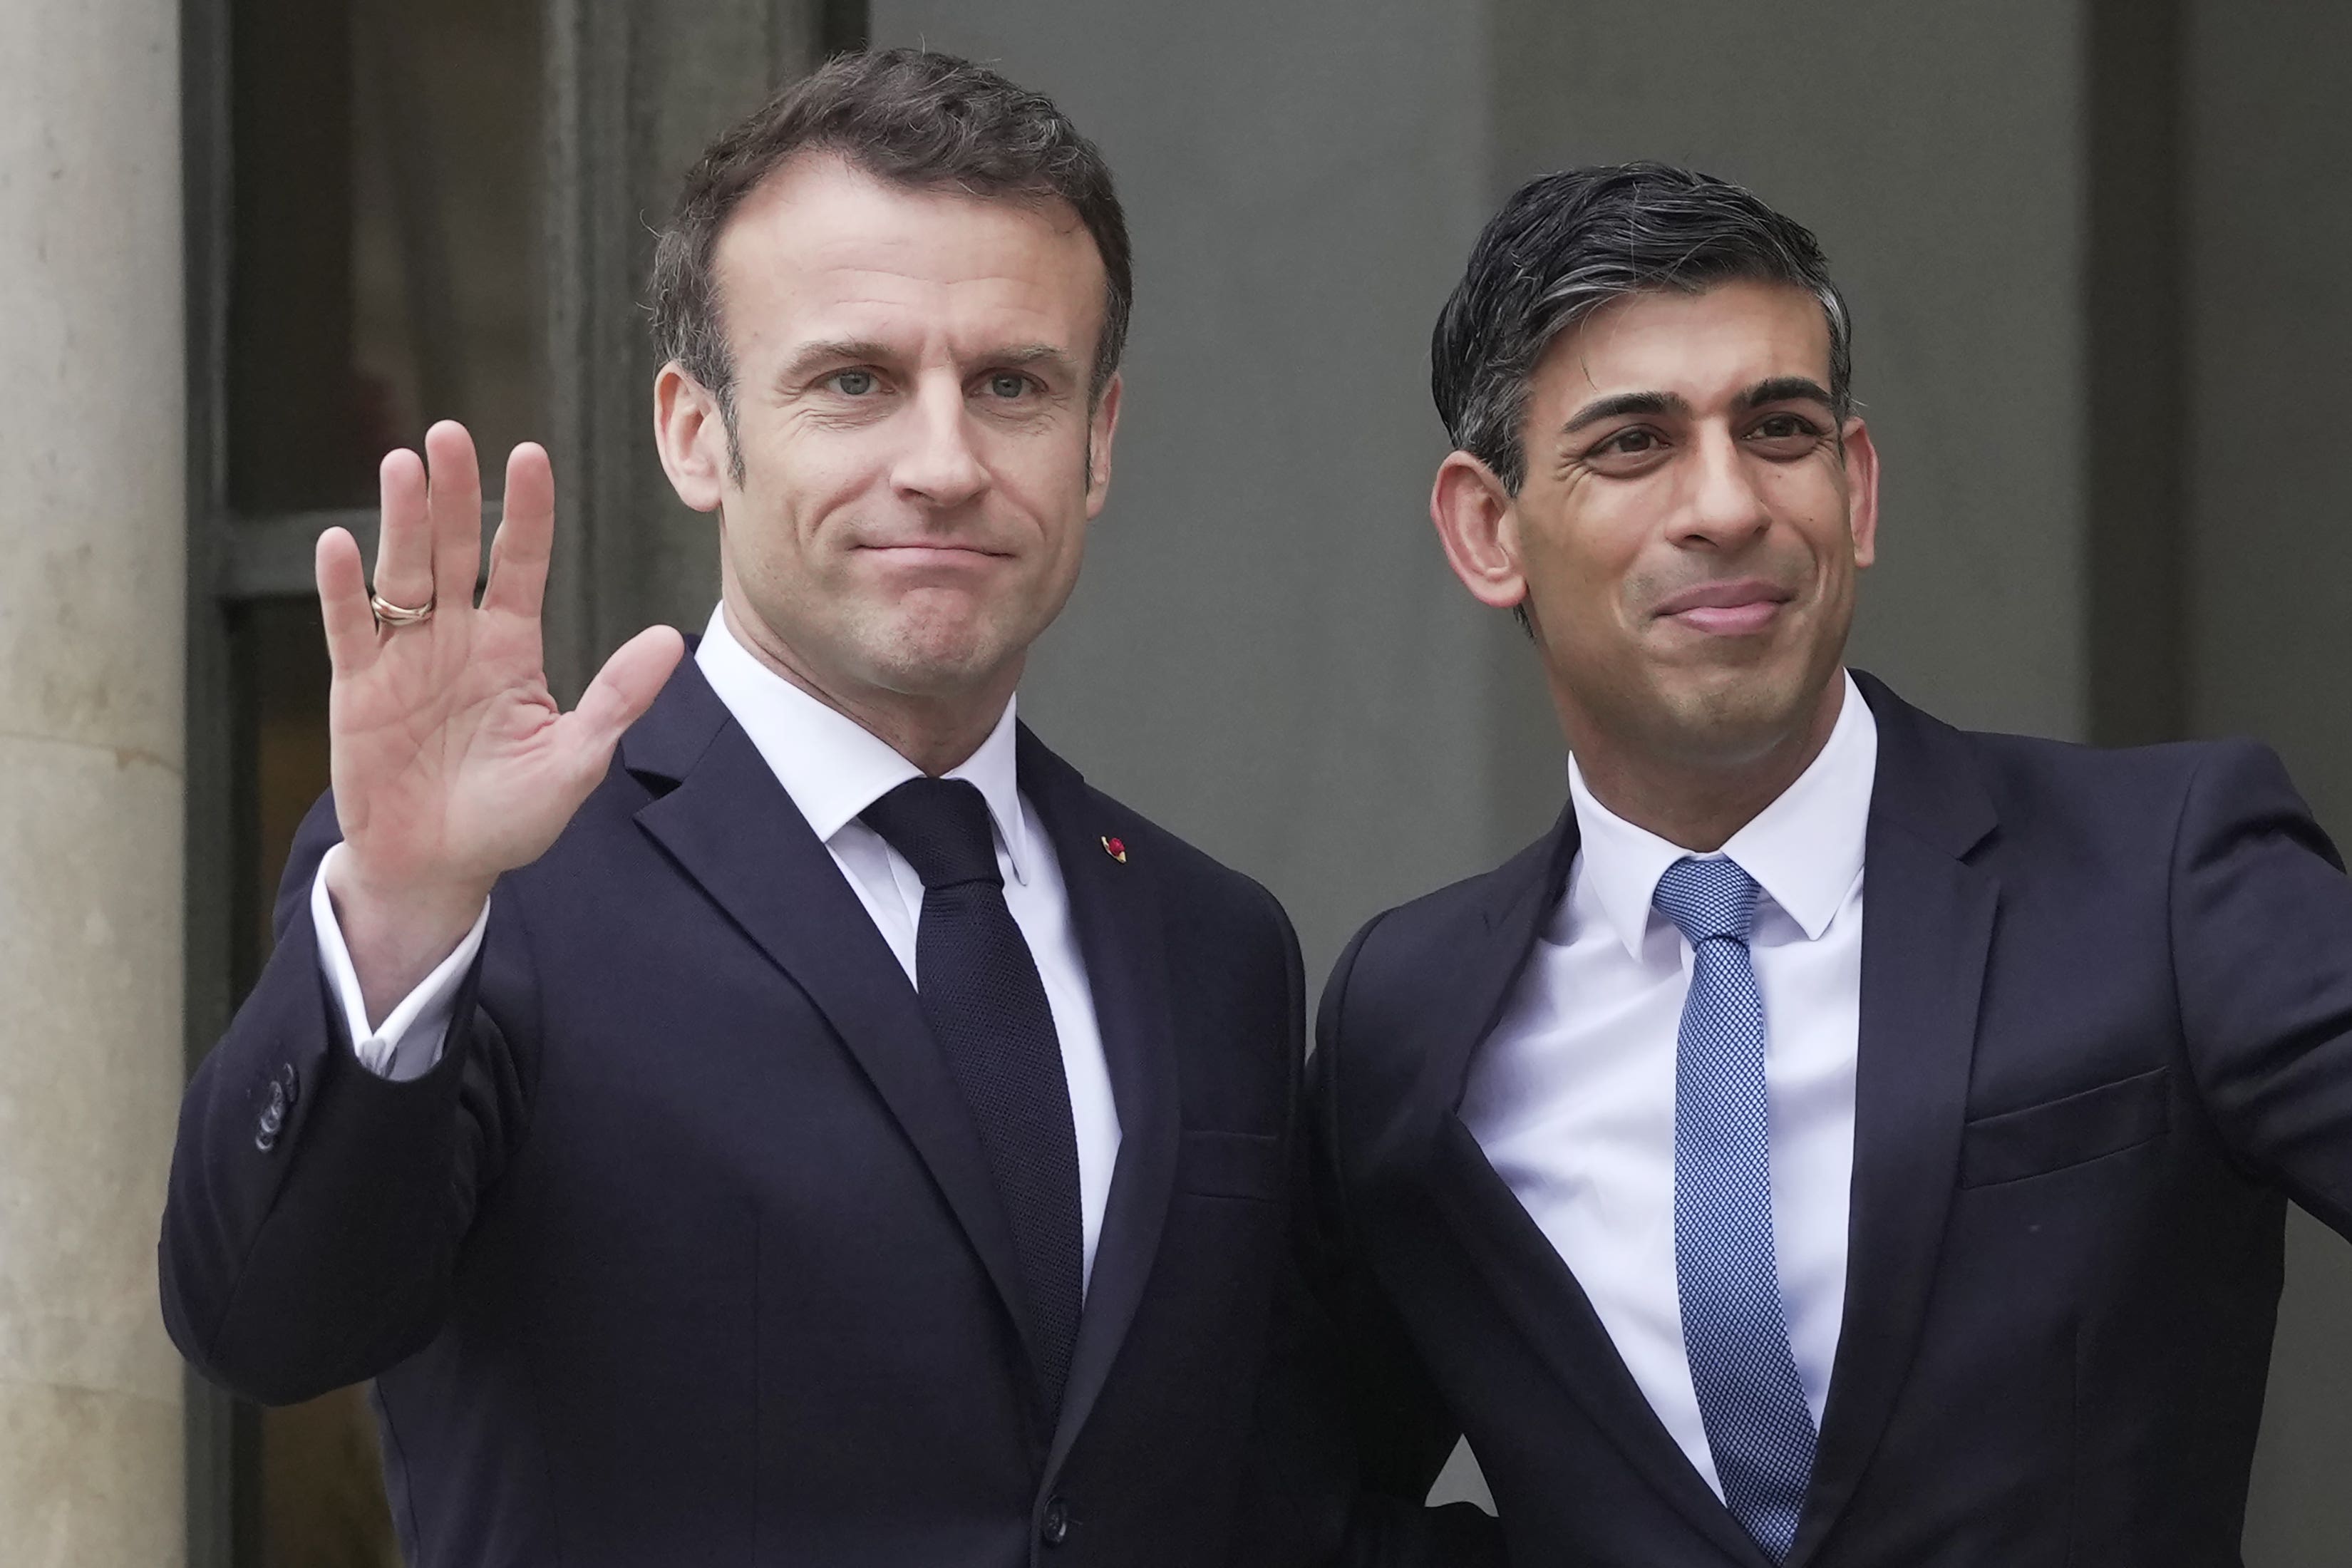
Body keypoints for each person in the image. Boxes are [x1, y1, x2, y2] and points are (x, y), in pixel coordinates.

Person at [161, 50, 1313, 1567]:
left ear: (1096, 442)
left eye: (1014, 386)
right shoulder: (493, 883)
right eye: (856, 381)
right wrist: (401, 917)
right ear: (696, 432)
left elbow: (1269, 1498)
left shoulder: (1209, 941)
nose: (945, 462)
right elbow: (266, 1319)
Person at [1311, 162, 2352, 1565]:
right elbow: (1299, 1501)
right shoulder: (1409, 1013)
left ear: (1855, 487)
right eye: (1633, 444)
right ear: (1488, 528)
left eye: (1779, 427)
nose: (1728, 504)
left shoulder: (2167, 872)